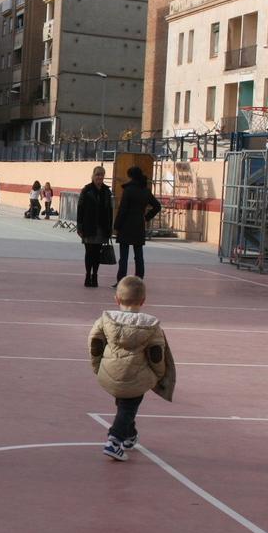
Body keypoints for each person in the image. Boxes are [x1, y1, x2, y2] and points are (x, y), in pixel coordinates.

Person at [90, 277, 175, 461]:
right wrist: (158, 374)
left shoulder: (105, 320)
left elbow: (95, 343)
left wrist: (98, 366)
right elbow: (156, 354)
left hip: (111, 371)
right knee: (129, 406)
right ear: (143, 301)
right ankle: (114, 440)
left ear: (117, 300)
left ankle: (130, 435)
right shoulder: (151, 327)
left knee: (124, 403)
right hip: (136, 375)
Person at [114, 166, 162, 284]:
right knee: (138, 255)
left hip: (126, 225)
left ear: (130, 176)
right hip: (139, 225)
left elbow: (123, 209)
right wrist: (146, 217)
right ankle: (139, 279)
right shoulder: (145, 191)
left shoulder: (128, 190)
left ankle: (121, 280)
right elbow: (157, 206)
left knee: (124, 257)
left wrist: (117, 225)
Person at [76, 166, 113, 288]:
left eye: (102, 175)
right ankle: (87, 275)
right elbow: (80, 209)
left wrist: (110, 227)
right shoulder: (86, 190)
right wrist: (79, 226)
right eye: (97, 175)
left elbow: (110, 210)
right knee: (89, 252)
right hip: (88, 226)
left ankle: (95, 275)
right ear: (93, 176)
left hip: (102, 227)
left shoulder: (107, 192)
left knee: (97, 254)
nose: (99, 177)